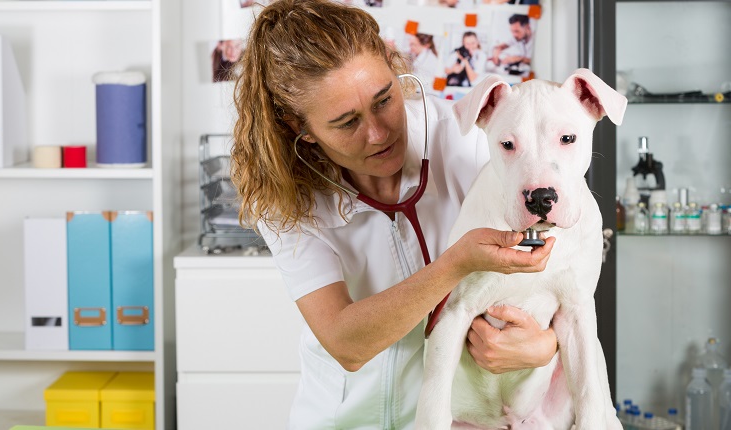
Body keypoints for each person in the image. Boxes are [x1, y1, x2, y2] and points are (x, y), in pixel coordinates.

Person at [231, 0, 558, 428]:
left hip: (462, 418)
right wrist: (455, 263)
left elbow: (566, 267)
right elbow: (345, 343)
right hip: (344, 420)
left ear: (391, 62)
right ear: (300, 128)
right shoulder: (286, 194)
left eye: (384, 99)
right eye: (346, 123)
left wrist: (545, 347)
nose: (379, 133)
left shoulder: (473, 141)